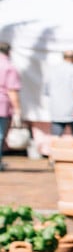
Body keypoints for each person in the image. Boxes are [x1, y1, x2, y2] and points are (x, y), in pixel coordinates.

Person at [46, 50, 73, 138]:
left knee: (55, 137)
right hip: (72, 109)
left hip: (56, 109)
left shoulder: (53, 70)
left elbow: (47, 91)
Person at [0, 41, 19, 171]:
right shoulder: (9, 67)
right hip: (2, 105)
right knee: (0, 134)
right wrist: (18, 110)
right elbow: (12, 91)